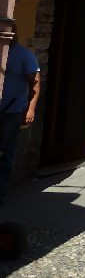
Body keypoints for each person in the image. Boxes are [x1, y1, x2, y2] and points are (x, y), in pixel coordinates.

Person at [0, 27, 40, 202]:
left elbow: (35, 83)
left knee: (5, 151)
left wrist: (30, 109)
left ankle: (0, 188)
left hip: (11, 111)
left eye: (12, 31)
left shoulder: (24, 55)